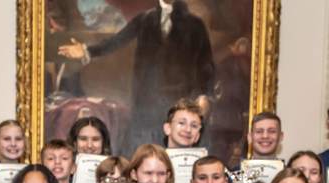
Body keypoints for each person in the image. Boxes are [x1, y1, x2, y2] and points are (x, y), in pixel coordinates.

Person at [57, 0, 214, 149]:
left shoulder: (195, 25)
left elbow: (205, 65)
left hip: (180, 104)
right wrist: (86, 51)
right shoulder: (145, 19)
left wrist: (205, 95)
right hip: (146, 106)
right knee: (143, 155)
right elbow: (116, 41)